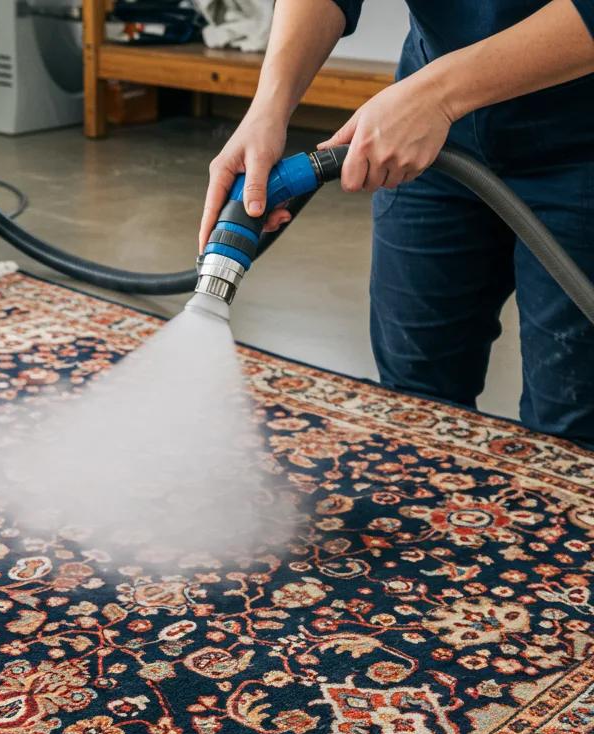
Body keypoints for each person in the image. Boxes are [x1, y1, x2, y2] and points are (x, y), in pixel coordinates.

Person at [200, 1, 594, 446]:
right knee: (415, 403)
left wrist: (439, 95)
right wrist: (267, 109)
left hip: (579, 141)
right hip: (434, 139)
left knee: (572, 429)